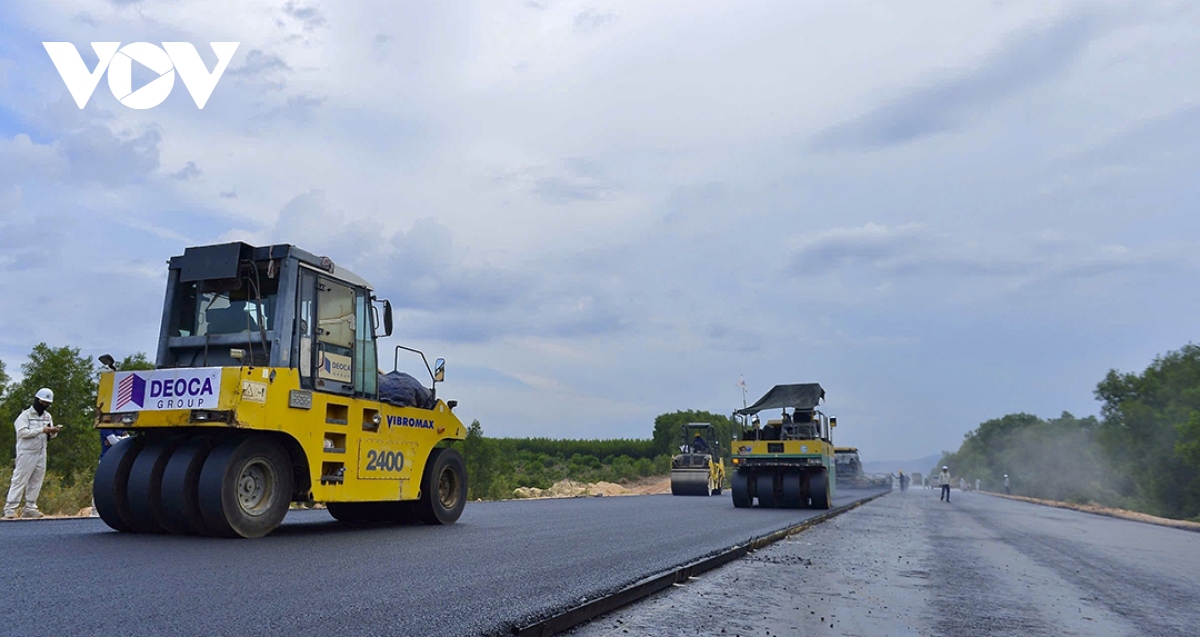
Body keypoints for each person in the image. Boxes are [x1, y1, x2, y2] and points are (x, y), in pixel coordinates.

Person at [4, 388, 60, 519]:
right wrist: (41, 430)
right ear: (37, 400)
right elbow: (22, 433)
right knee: (20, 479)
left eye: (47, 403)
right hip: (26, 452)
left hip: (41, 451)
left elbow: (49, 435)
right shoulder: (25, 416)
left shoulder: (47, 416)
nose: (44, 405)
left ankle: (30, 506)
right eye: (43, 402)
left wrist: (53, 432)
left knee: (36, 480)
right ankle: (10, 508)